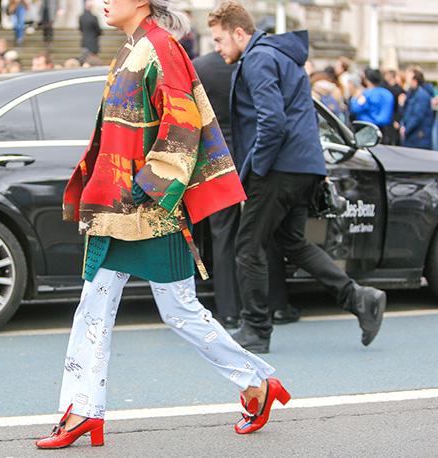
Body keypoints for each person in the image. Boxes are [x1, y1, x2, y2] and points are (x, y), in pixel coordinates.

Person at [34, 0, 290, 449]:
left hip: (150, 210)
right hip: (116, 208)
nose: (102, 2)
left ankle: (255, 382)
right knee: (94, 307)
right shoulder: (135, 47)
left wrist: (151, 184)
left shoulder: (160, 46)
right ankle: (82, 409)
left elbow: (183, 121)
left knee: (179, 311)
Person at [208, 1, 386, 354]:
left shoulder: (258, 59)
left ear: (239, 33)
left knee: (248, 247)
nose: (217, 48)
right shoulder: (282, 56)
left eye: (219, 39)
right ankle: (359, 298)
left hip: (276, 169)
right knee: (292, 242)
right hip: (303, 167)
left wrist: (255, 170)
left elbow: (272, 121)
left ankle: (256, 330)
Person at [192, 50, 294, 329]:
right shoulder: (259, 63)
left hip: (216, 156)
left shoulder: (201, 67)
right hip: (255, 155)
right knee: (265, 229)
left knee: (223, 234)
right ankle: (276, 304)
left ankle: (229, 310)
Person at [350, 68, 394, 144]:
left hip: (368, 129)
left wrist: (355, 98)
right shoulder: (388, 93)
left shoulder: (367, 94)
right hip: (385, 130)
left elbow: (356, 109)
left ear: (367, 80)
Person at [400, 68, 433, 149]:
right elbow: (406, 113)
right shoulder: (411, 93)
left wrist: (406, 130)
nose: (407, 81)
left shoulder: (422, 95)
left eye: (408, 78)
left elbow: (417, 116)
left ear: (415, 81)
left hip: (418, 138)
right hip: (412, 137)